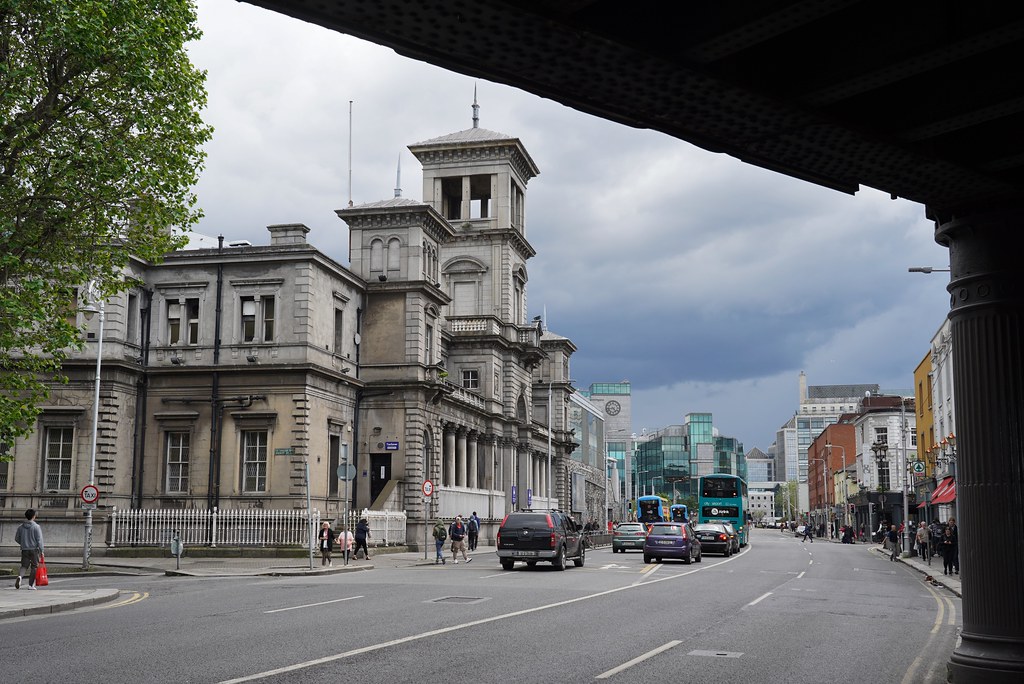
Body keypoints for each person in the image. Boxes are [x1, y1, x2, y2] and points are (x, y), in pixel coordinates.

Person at [14, 508, 44, 590]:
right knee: (34, 566)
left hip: (24, 549)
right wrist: (42, 551)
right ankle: (31, 585)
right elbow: (39, 540)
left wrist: (23, 543)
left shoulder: (21, 527)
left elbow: (16, 538)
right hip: (34, 549)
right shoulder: (36, 527)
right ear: (34, 516)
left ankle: (20, 576)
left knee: (24, 566)